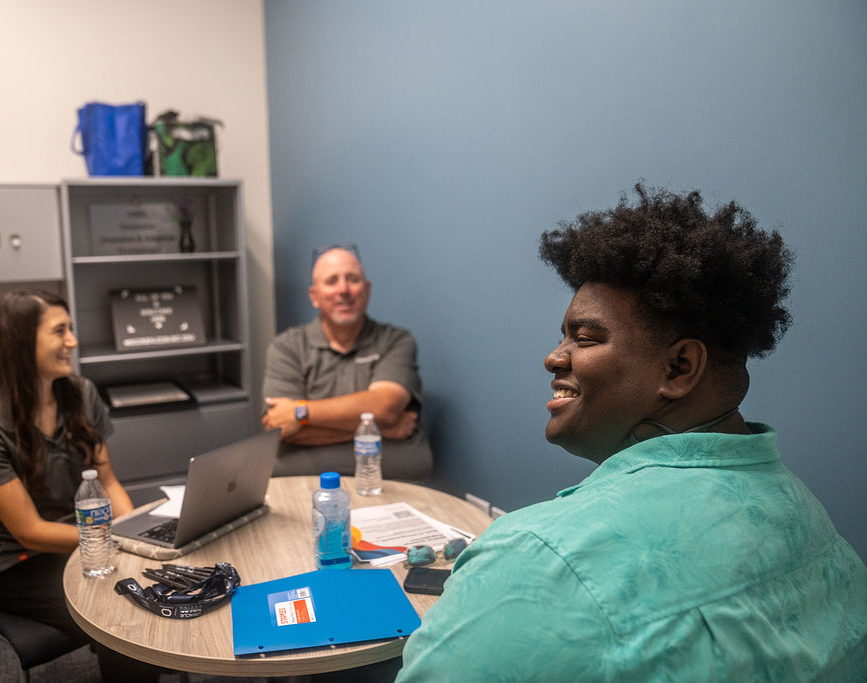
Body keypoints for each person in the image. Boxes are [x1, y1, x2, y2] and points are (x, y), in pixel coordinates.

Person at [397, 184, 867, 680]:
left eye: (584, 337)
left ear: (679, 367)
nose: (554, 357)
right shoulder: (805, 515)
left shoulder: (538, 560)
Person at [0, 290, 159, 681]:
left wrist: (137, 536)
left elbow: (110, 482)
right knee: (121, 616)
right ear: (20, 341)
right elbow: (30, 533)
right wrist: (118, 540)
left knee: (157, 584)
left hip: (91, 543)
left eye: (71, 329)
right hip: (21, 566)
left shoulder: (80, 394)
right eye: (59, 331)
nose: (73, 342)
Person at [262, 243, 432, 480]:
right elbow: (282, 428)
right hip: (306, 481)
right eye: (331, 281)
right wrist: (380, 429)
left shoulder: (396, 341)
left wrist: (300, 412)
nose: (343, 289)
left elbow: (384, 406)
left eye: (352, 279)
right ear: (315, 296)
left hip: (389, 480)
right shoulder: (286, 347)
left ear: (367, 289)